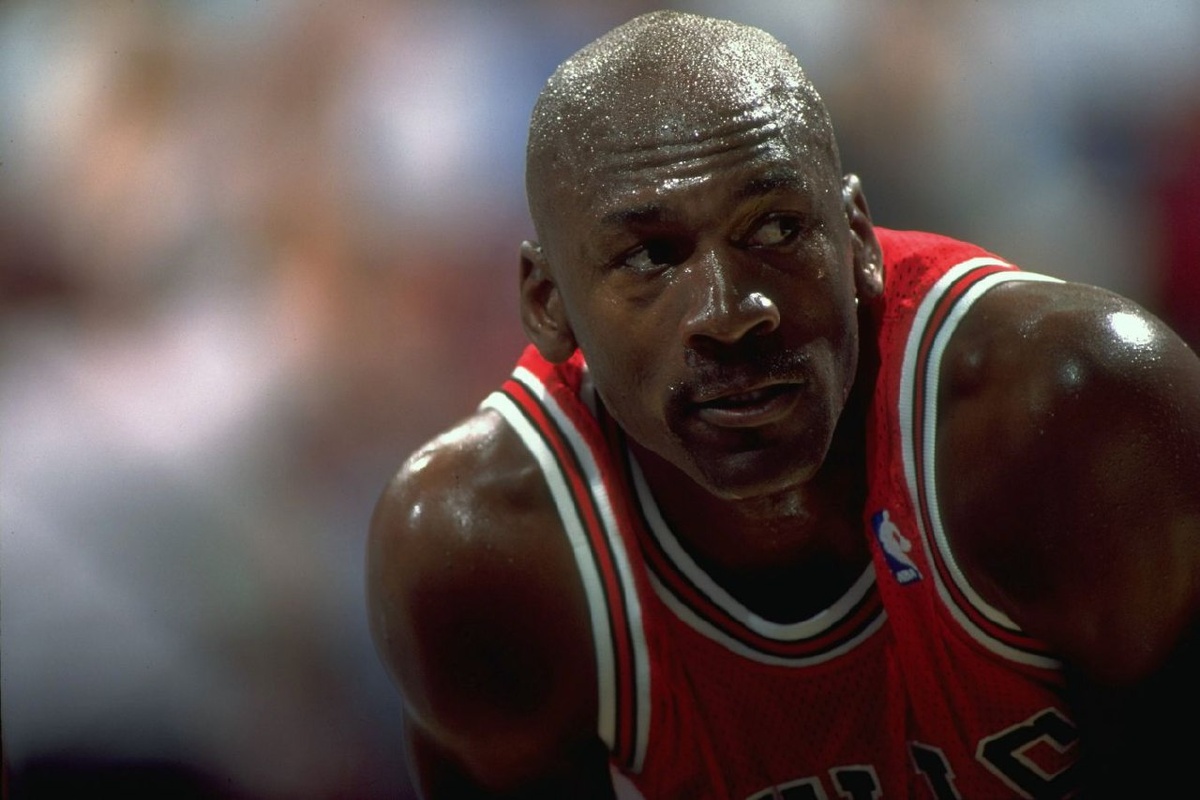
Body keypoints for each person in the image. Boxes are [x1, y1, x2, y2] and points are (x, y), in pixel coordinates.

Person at [366, 11, 1200, 799]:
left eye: (774, 229)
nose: (731, 313)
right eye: (651, 257)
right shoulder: (484, 554)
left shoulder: (1076, 414)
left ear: (857, 238)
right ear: (548, 304)